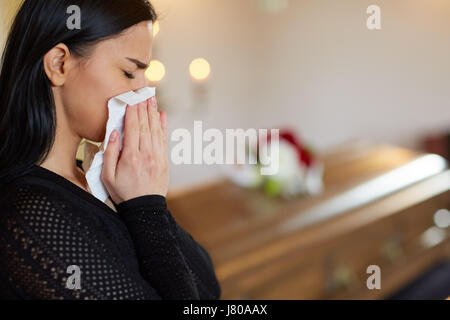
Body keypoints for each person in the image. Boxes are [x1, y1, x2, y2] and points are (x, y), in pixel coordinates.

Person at [0, 0, 221, 300]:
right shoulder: (31, 214)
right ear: (59, 64)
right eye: (130, 73)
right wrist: (146, 208)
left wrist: (146, 202)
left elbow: (209, 289)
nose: (144, 93)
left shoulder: (99, 181)